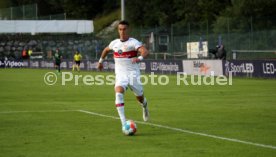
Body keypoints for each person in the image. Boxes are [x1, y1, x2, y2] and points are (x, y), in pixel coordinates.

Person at [97, 20, 150, 132]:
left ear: (128, 30)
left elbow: (144, 51)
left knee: (140, 98)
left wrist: (139, 58)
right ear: (118, 30)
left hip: (133, 75)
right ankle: (123, 124)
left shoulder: (133, 42)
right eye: (120, 29)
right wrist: (101, 61)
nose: (122, 31)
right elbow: (106, 50)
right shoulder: (114, 43)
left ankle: (144, 106)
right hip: (121, 75)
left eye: (124, 29)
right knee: (118, 92)